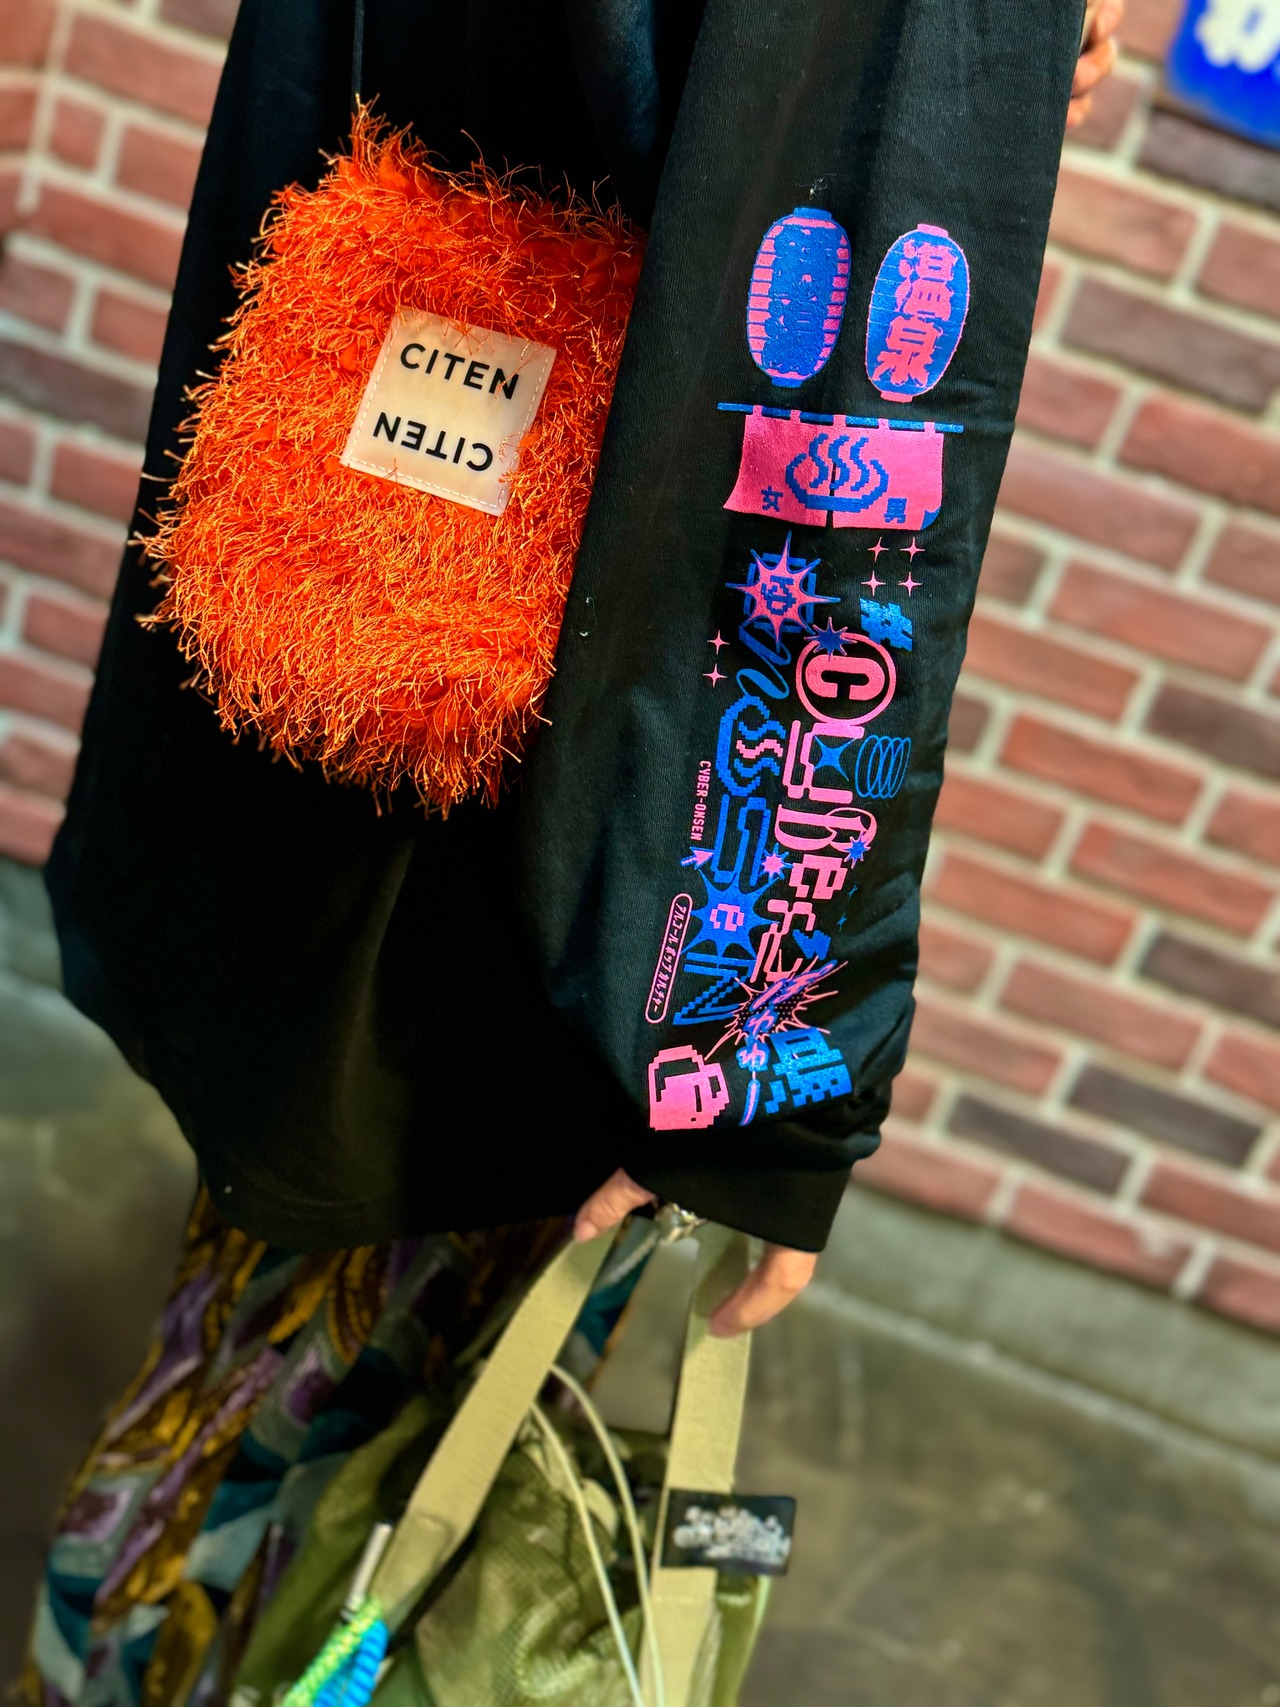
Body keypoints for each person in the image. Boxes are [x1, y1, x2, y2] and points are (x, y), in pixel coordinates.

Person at [22, 1, 1122, 1701]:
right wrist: (759, 1077)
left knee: (241, 1407)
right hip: (574, 835)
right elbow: (847, 424)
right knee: (340, 1500)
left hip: (340, 604)